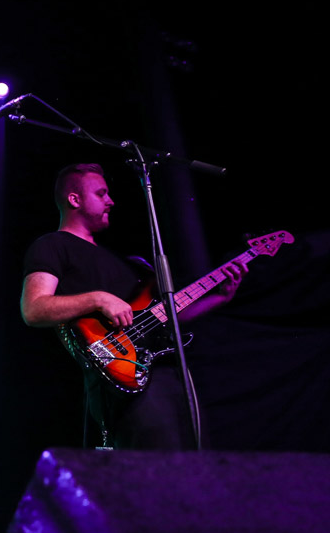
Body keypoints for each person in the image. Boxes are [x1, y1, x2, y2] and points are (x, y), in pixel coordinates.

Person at [20, 162, 245, 449]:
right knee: (155, 469)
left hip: (169, 374)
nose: (111, 201)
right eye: (101, 194)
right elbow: (34, 308)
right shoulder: (52, 245)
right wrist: (98, 298)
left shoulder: (132, 264)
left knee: (193, 464)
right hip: (123, 379)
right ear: (74, 199)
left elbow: (167, 316)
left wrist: (219, 297)